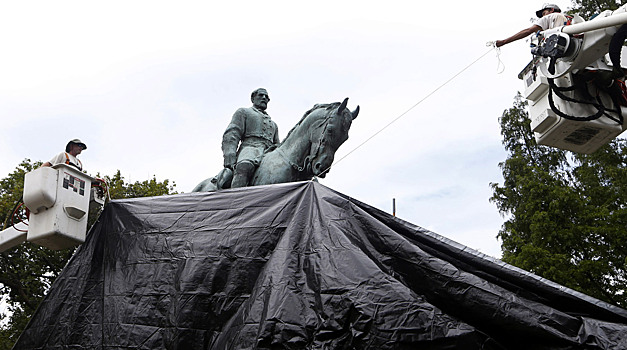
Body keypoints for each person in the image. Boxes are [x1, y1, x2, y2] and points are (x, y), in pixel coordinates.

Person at [222, 88, 280, 188]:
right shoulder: (244, 112)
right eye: (261, 95)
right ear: (253, 99)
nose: (264, 98)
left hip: (269, 152)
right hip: (250, 148)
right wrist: (230, 153)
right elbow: (232, 133)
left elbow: (277, 144)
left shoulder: (273, 124)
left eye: (267, 97)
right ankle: (235, 198)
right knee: (244, 166)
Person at [496, 4, 569, 47]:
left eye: (544, 13)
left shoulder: (550, 16)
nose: (543, 16)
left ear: (552, 10)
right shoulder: (568, 18)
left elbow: (528, 31)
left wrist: (504, 42)